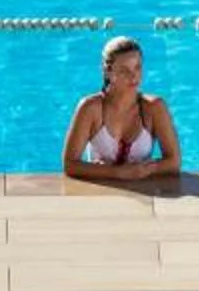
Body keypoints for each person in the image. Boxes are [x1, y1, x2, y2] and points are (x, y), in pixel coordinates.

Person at [62, 35, 180, 183]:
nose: (134, 76)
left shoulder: (154, 107)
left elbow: (174, 162)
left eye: (137, 67)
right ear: (108, 72)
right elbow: (70, 165)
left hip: (143, 193)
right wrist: (118, 172)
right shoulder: (90, 108)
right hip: (101, 194)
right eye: (125, 70)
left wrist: (146, 169)